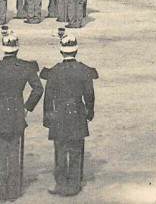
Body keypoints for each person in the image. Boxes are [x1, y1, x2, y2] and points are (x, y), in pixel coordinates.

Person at [0, 30, 44, 201]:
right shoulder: (25, 67)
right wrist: (27, 107)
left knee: (0, 155)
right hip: (16, 113)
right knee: (14, 153)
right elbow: (38, 88)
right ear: (18, 48)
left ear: (3, 48)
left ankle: (0, 192)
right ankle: (14, 192)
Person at [40, 34, 98, 196]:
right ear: (76, 51)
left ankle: (61, 184)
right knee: (76, 150)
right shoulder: (84, 71)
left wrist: (47, 117)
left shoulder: (54, 71)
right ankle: (74, 185)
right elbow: (89, 95)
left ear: (61, 51)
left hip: (59, 114)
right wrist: (89, 112)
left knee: (60, 150)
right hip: (77, 113)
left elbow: (48, 97)